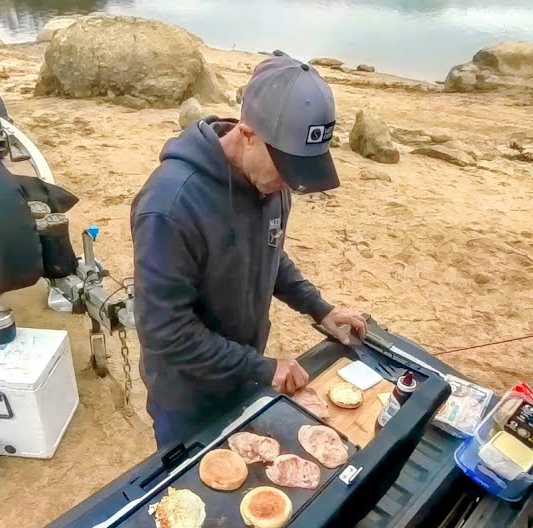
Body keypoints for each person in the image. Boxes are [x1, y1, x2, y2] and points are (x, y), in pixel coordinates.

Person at [131, 53, 367, 448]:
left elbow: (270, 254)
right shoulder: (170, 206)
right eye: (285, 168)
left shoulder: (270, 183)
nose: (290, 185)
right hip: (187, 395)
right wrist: (263, 367)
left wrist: (319, 308)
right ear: (247, 133)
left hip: (243, 375)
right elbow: (165, 331)